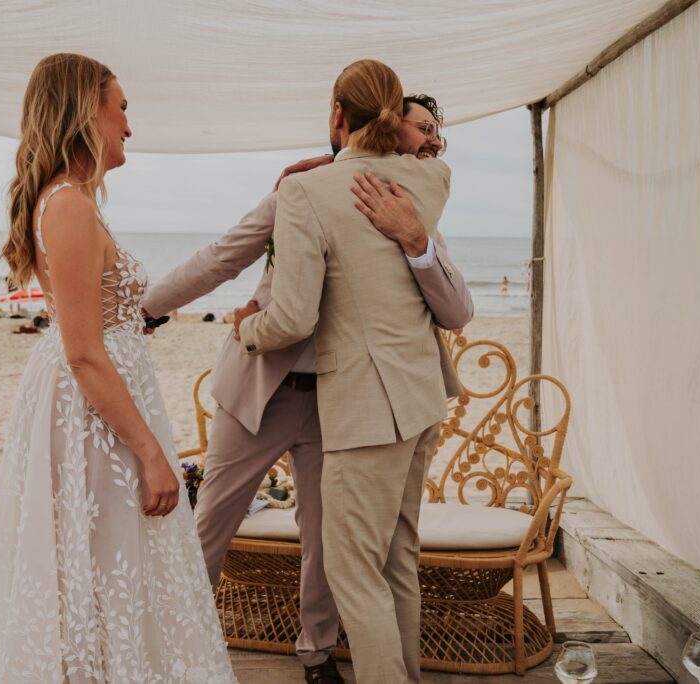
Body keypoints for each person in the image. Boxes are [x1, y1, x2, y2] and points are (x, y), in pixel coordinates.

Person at [141, 92, 471, 684]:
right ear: (386, 127)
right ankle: (179, 645)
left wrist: (416, 237)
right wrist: (145, 308)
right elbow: (222, 258)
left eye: (435, 134)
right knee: (211, 522)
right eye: (422, 130)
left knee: (326, 542)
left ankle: (317, 655)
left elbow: (455, 306)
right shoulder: (303, 189)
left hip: (341, 404)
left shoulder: (411, 207)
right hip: (258, 388)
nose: (433, 143)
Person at [0, 54, 235, 684]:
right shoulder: (69, 206)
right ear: (86, 110)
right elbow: (82, 351)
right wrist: (153, 455)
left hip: (102, 408)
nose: (129, 127)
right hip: (94, 418)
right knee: (101, 557)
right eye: (123, 108)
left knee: (107, 564)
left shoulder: (72, 201)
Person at [238, 60, 466, 684]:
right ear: (396, 120)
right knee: (397, 563)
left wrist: (245, 329)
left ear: (338, 115)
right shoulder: (430, 181)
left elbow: (292, 317)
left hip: (366, 415)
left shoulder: (307, 193)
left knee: (353, 573)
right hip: (421, 403)